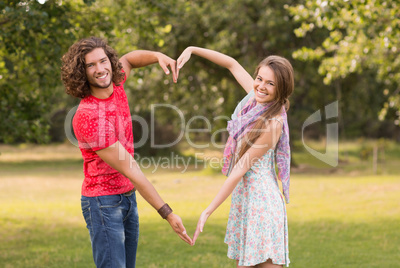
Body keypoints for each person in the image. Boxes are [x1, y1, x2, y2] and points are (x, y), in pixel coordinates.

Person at [61, 37, 192, 268]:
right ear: (81, 72)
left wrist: (156, 56)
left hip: (128, 197)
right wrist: (168, 213)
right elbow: (132, 168)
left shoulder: (117, 86)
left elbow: (130, 59)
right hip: (103, 204)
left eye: (103, 61)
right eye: (91, 65)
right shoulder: (88, 116)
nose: (100, 69)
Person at [177, 46, 293, 267]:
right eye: (260, 78)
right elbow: (231, 63)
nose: (261, 86)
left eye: (271, 83)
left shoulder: (273, 122)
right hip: (248, 200)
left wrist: (208, 210)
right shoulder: (255, 100)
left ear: (281, 89)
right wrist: (192, 50)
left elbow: (240, 168)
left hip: (262, 205)